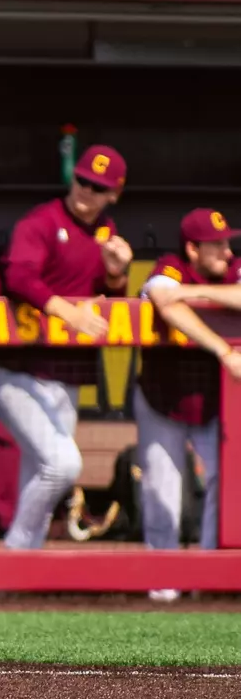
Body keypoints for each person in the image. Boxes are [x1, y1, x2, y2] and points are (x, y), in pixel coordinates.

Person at [0, 145, 132, 550]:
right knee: (63, 465)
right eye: (82, 180)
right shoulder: (42, 222)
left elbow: (108, 300)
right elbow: (18, 277)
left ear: (113, 194)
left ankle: (22, 572)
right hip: (14, 369)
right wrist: (69, 313)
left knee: (42, 472)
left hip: (67, 373)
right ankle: (16, 553)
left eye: (98, 187)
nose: (86, 191)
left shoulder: (106, 233)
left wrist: (116, 277)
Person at [133, 209, 241, 565]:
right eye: (217, 245)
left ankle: (209, 575)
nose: (227, 251)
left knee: (226, 483)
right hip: (162, 398)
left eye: (228, 241)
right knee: (161, 489)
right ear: (193, 249)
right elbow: (164, 300)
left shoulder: (235, 268)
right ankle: (162, 583)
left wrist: (195, 292)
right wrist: (223, 349)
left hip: (213, 402)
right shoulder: (170, 265)